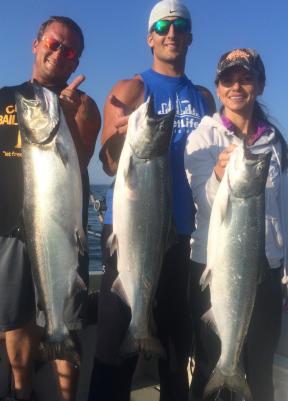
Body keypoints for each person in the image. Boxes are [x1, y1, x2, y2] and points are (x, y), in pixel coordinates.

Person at [88, 1, 215, 400]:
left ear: (191, 37)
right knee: (112, 361)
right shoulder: (129, 89)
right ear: (150, 37)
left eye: (180, 26)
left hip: (183, 241)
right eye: (162, 26)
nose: (171, 32)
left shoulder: (203, 98)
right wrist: (120, 138)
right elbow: (109, 165)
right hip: (130, 233)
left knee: (177, 362)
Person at [0, 16, 101, 401]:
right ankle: (22, 392)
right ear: (36, 43)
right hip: (8, 227)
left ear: (76, 63)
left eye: (69, 51)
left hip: (59, 224)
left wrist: (72, 120)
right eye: (54, 43)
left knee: (67, 318)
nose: (59, 53)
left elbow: (85, 158)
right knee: (16, 320)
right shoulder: (6, 96)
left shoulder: (83, 105)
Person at [185, 48, 288, 401]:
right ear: (217, 88)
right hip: (214, 269)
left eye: (245, 78)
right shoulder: (203, 137)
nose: (237, 87)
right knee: (210, 362)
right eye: (228, 80)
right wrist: (216, 176)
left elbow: (284, 206)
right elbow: (202, 202)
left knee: (260, 369)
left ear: (259, 85)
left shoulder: (276, 143)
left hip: (267, 270)